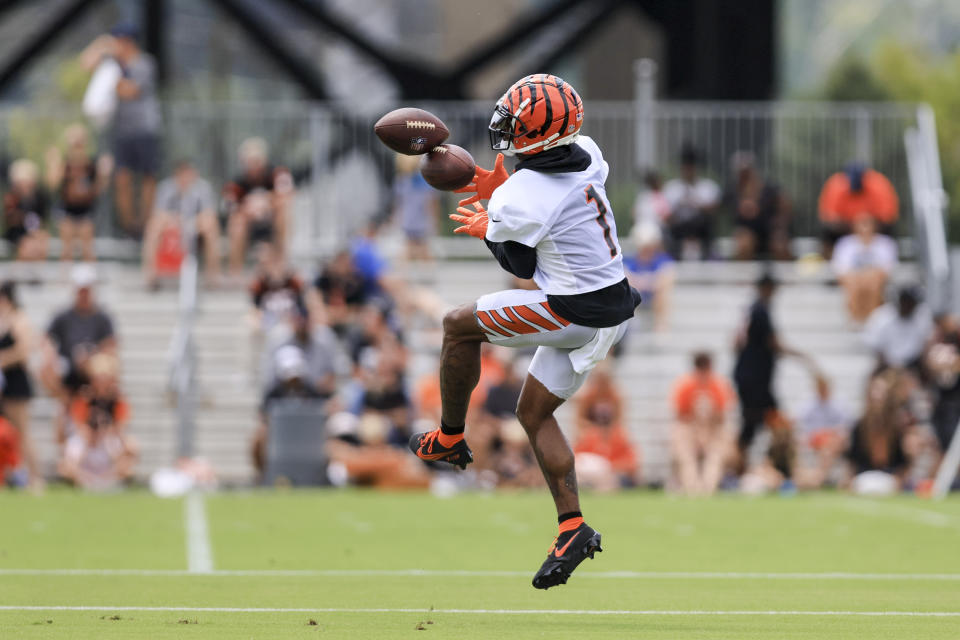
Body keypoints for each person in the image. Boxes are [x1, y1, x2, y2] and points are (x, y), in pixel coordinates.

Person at [405, 75, 641, 589]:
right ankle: (572, 527)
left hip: (574, 308)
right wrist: (501, 200)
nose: (505, 128)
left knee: (455, 325)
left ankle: (447, 437)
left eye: (516, 122)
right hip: (613, 304)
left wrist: (491, 223)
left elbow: (521, 264)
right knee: (532, 411)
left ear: (539, 134)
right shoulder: (588, 152)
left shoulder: (525, 196)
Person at [81, 25, 162, 236]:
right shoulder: (113, 65)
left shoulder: (145, 63)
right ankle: (129, 227)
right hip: (122, 130)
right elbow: (85, 64)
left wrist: (108, 79)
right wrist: (101, 45)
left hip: (145, 128)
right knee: (122, 178)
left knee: (147, 178)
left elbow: (131, 91)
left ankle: (145, 224)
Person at [733, 274, 804, 475]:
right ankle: (781, 469)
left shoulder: (752, 310)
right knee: (774, 425)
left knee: (751, 427)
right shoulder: (760, 310)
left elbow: (737, 342)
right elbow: (774, 343)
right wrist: (802, 357)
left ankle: (745, 470)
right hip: (756, 382)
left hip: (751, 380)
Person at [39, 264, 117, 408]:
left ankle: (96, 399)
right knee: (46, 369)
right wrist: (50, 354)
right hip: (68, 363)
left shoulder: (102, 317)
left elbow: (110, 345)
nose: (84, 295)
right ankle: (65, 399)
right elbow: (46, 338)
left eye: (86, 290)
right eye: (81, 290)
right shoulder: (63, 316)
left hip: (93, 364)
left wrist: (91, 357)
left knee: (104, 367)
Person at [58, 352, 137, 489]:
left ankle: (107, 480)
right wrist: (92, 436)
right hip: (89, 441)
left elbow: (120, 427)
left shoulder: (117, 400)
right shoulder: (85, 398)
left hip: (107, 440)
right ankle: (87, 480)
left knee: (130, 447)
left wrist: (105, 433)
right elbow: (80, 426)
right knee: (68, 460)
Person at [142, 159, 221, 286]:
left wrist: (191, 222)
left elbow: (209, 214)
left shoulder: (203, 188)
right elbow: (158, 213)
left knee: (211, 227)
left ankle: (212, 276)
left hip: (196, 230)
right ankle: (151, 275)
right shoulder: (165, 188)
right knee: (153, 227)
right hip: (171, 229)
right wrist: (174, 221)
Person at [222, 138, 294, 275]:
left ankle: (282, 264)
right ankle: (235, 270)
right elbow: (230, 207)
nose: (253, 166)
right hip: (248, 223)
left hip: (271, 220)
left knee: (284, 215)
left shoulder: (278, 174)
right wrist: (248, 208)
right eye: (249, 162)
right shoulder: (237, 182)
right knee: (236, 223)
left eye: (256, 161)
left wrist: (266, 202)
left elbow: (287, 196)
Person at [44, 124, 113, 262]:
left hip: (86, 210)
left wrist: (104, 175)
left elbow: (99, 190)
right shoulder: (64, 164)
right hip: (67, 209)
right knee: (67, 241)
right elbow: (52, 184)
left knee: (87, 240)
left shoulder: (92, 164)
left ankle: (89, 276)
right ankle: (65, 276)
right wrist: (53, 165)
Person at [670, 352, 736, 495]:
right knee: (686, 454)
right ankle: (692, 488)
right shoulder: (685, 385)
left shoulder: (719, 385)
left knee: (715, 456)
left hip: (713, 429)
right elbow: (681, 416)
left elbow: (722, 418)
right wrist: (697, 434)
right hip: (690, 429)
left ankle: (707, 489)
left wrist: (706, 433)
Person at [573, 365, 640, 490]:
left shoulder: (619, 436)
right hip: (593, 473)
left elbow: (632, 463)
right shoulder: (588, 436)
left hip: (612, 474)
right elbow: (577, 459)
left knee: (608, 480)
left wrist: (610, 467)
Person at [0, 282, 40, 489]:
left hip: (17, 382)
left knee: (23, 432)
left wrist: (2, 359)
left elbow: (23, 351)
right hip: (5, 383)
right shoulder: (4, 320)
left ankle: (36, 478)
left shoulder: (19, 319)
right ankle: (12, 476)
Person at [818, 163, 898, 256]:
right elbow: (829, 218)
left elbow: (888, 216)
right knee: (828, 233)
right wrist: (853, 227)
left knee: (889, 231)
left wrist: (867, 226)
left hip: (873, 227)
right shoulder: (836, 185)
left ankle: (888, 259)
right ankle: (831, 260)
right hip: (846, 228)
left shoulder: (878, 184)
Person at [723, 151, 791, 260]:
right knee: (744, 243)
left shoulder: (769, 188)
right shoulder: (732, 191)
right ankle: (744, 276)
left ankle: (785, 276)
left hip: (770, 231)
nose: (744, 175)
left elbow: (785, 205)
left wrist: (780, 224)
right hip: (746, 232)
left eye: (747, 171)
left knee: (780, 243)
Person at [831, 213, 898, 324]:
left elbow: (887, 269)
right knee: (855, 283)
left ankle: (869, 321)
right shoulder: (845, 244)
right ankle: (857, 320)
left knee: (873, 282)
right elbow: (841, 270)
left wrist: (867, 276)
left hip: (874, 280)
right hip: (854, 280)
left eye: (868, 224)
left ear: (875, 226)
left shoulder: (885, 244)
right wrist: (861, 277)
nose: (865, 228)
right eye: (862, 224)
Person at [662, 144, 720, 260]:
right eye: (686, 167)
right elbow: (666, 216)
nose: (688, 170)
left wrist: (695, 203)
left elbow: (714, 211)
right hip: (679, 232)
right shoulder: (671, 188)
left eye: (691, 167)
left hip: (701, 233)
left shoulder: (708, 187)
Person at [863, 287, 932, 372]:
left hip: (914, 364)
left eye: (911, 303)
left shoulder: (922, 315)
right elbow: (876, 347)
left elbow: (927, 342)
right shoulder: (881, 316)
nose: (908, 306)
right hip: (886, 365)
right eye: (906, 302)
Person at [623, 222, 674, 332]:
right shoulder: (629, 260)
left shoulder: (663, 260)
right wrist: (647, 282)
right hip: (636, 295)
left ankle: (660, 327)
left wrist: (644, 282)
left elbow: (666, 279)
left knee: (662, 292)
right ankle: (628, 326)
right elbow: (626, 279)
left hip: (653, 296)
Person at [392, 153, 439, 261]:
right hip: (412, 220)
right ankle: (411, 273)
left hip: (418, 220)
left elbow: (431, 203)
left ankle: (422, 273)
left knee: (420, 249)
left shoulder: (419, 181)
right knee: (414, 248)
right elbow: (399, 203)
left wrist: (433, 220)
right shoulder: (403, 181)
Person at [3, 159, 50, 261]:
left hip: (35, 233)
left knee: (41, 242)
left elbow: (42, 219)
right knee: (28, 246)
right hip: (16, 233)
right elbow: (12, 220)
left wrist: (36, 231)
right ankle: (19, 274)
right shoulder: (12, 197)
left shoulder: (40, 197)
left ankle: (36, 274)